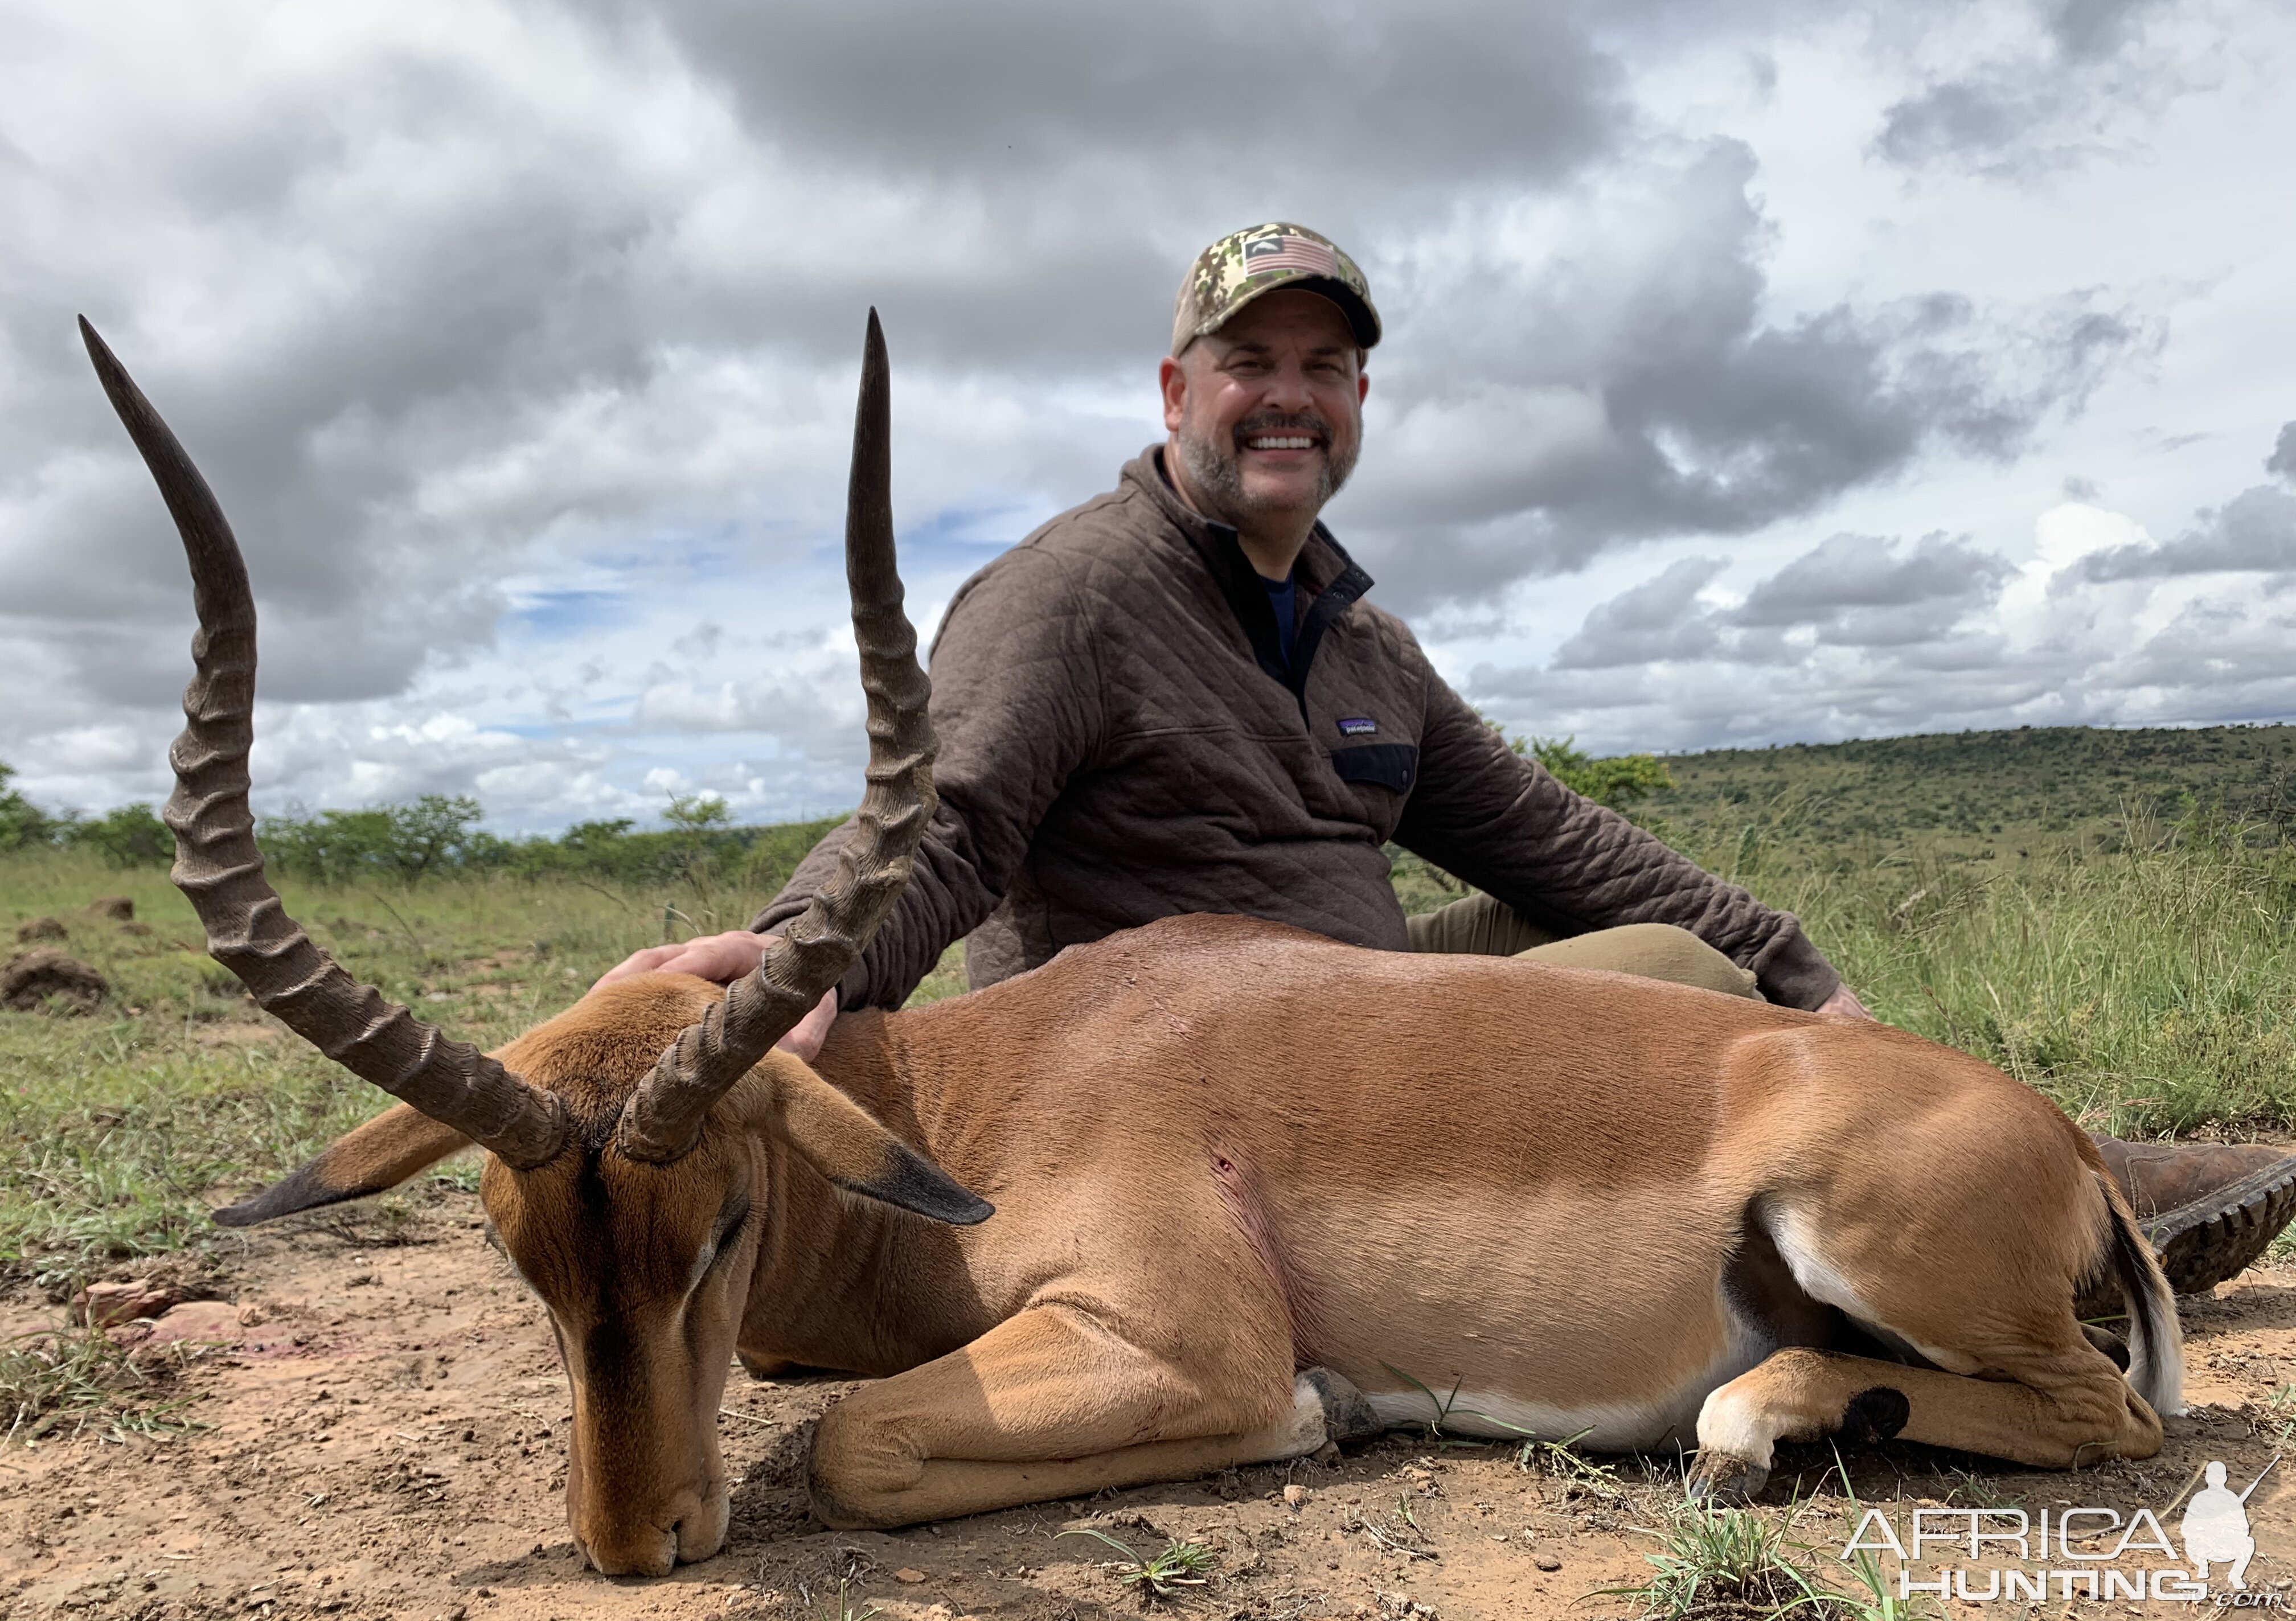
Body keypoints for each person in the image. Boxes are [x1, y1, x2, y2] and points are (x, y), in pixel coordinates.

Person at [598, 221, 2296, 1295]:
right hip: (1165, 1079)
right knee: (1679, 986)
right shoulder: (1071, 592)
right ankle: (2070, 1205)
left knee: (1692, 947)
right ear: (1176, 386)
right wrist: (802, 960)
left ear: (1356, 400)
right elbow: (945, 820)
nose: (1290, 397)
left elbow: (1552, 837)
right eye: (1251, 364)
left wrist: (1807, 967)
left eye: (1324, 368)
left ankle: (2017, 1173)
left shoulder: (1358, 634)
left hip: (1369, 1007)